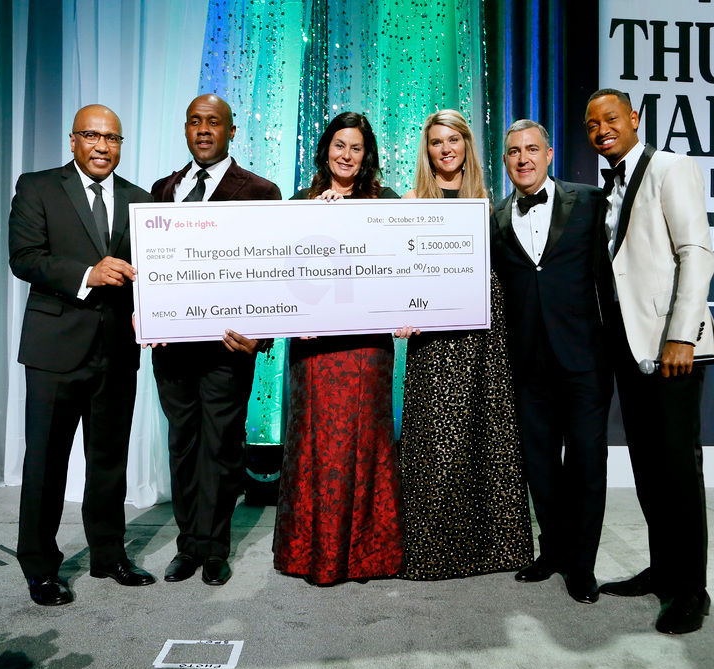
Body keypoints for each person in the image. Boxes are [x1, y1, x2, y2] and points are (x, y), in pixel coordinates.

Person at [584, 88, 714, 634]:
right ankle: (664, 570)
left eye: (611, 119)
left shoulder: (670, 166)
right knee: (647, 469)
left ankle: (692, 590)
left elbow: (697, 251)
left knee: (676, 472)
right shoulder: (608, 184)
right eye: (592, 125)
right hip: (628, 347)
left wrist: (681, 337)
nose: (601, 130)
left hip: (673, 347)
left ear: (634, 119)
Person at [9, 104, 155, 606]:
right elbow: (24, 258)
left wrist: (160, 318)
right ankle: (40, 567)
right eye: (91, 136)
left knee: (109, 462)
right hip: (54, 350)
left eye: (112, 138)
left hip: (116, 350)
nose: (101, 146)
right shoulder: (38, 186)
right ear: (72, 140)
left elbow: (152, 276)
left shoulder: (141, 201)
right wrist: (87, 275)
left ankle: (109, 555)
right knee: (45, 463)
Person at [394, 110, 534, 580]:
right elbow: (400, 274)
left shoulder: (488, 203)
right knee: (436, 441)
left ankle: (495, 551)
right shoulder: (412, 201)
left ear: (467, 146)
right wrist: (402, 315)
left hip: (484, 334)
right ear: (427, 150)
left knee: (487, 436)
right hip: (435, 342)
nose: (446, 148)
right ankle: (433, 553)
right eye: (437, 142)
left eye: (454, 139)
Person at [150, 94, 281, 587]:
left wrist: (261, 335)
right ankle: (188, 544)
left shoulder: (261, 191)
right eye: (195, 122)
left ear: (231, 132)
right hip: (173, 348)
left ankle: (215, 548)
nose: (204, 130)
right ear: (186, 130)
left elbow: (275, 272)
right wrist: (149, 318)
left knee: (221, 448)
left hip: (228, 347)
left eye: (214, 123)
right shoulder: (163, 190)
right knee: (183, 444)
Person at [272, 111, 402, 585]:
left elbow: (397, 270)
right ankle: (313, 554)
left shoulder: (385, 201)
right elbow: (282, 280)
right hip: (314, 350)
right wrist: (316, 222)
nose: (346, 156)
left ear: (367, 156)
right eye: (339, 145)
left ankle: (366, 555)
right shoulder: (298, 204)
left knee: (365, 443)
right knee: (313, 443)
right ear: (325, 148)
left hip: (366, 350)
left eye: (356, 148)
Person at [489, 119, 611, 604]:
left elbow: (611, 276)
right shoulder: (494, 218)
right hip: (527, 362)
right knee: (539, 466)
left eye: (532, 149)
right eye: (514, 151)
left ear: (550, 153)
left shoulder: (588, 202)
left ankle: (582, 565)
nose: (523, 158)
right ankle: (553, 551)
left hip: (584, 359)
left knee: (585, 465)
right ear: (505, 160)